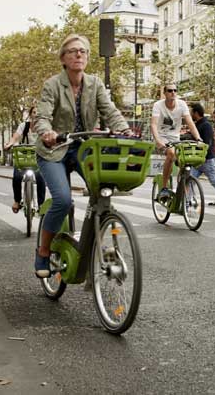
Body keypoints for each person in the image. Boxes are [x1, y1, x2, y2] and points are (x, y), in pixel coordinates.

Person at [34, 33, 132, 277]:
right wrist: (47, 132)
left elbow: (109, 111)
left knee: (102, 194)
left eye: (83, 51)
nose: (79, 54)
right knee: (63, 200)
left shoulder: (95, 83)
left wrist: (125, 130)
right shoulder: (52, 85)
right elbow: (43, 117)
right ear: (63, 59)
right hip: (54, 150)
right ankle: (44, 251)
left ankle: (98, 245)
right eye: (72, 51)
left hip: (83, 148)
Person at [150, 83, 201, 201]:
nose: (173, 92)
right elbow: (153, 124)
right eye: (169, 90)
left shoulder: (182, 104)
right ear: (165, 93)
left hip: (175, 138)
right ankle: (163, 188)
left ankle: (182, 185)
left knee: (184, 160)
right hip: (161, 136)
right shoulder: (158, 105)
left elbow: (190, 123)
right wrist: (158, 140)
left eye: (175, 90)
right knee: (171, 154)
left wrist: (198, 138)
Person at [189, 103, 215, 214]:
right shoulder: (197, 124)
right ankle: (187, 202)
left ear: (196, 113)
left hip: (207, 159)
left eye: (191, 112)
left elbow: (207, 143)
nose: (190, 113)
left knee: (214, 181)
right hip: (198, 160)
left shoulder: (206, 125)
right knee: (190, 180)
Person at [4, 106, 47, 214]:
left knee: (41, 178)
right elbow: (15, 137)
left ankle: (41, 205)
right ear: (30, 114)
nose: (36, 114)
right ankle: (17, 201)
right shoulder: (24, 126)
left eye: (38, 113)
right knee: (17, 176)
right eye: (34, 112)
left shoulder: (43, 127)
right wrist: (9, 143)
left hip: (38, 156)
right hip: (24, 155)